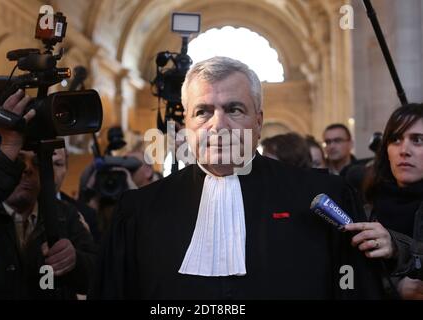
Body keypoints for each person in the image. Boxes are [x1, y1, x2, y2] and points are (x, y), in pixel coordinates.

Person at [91, 56, 384, 299]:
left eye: (234, 109)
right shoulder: (139, 211)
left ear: (258, 122)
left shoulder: (323, 196)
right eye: (203, 112)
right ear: (186, 126)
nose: (218, 125)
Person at [0, 89, 97, 299]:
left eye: (37, 162)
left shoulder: (64, 216)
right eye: (19, 160)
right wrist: (9, 145)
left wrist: (76, 262)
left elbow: (99, 273)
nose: (27, 169)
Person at [344, 103, 423, 299]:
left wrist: (396, 247)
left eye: (418, 140)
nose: (404, 150)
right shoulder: (366, 201)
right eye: (395, 139)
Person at [53, 147, 100, 243]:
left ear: (66, 168)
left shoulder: (86, 214)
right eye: (41, 163)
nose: (51, 172)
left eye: (58, 164)